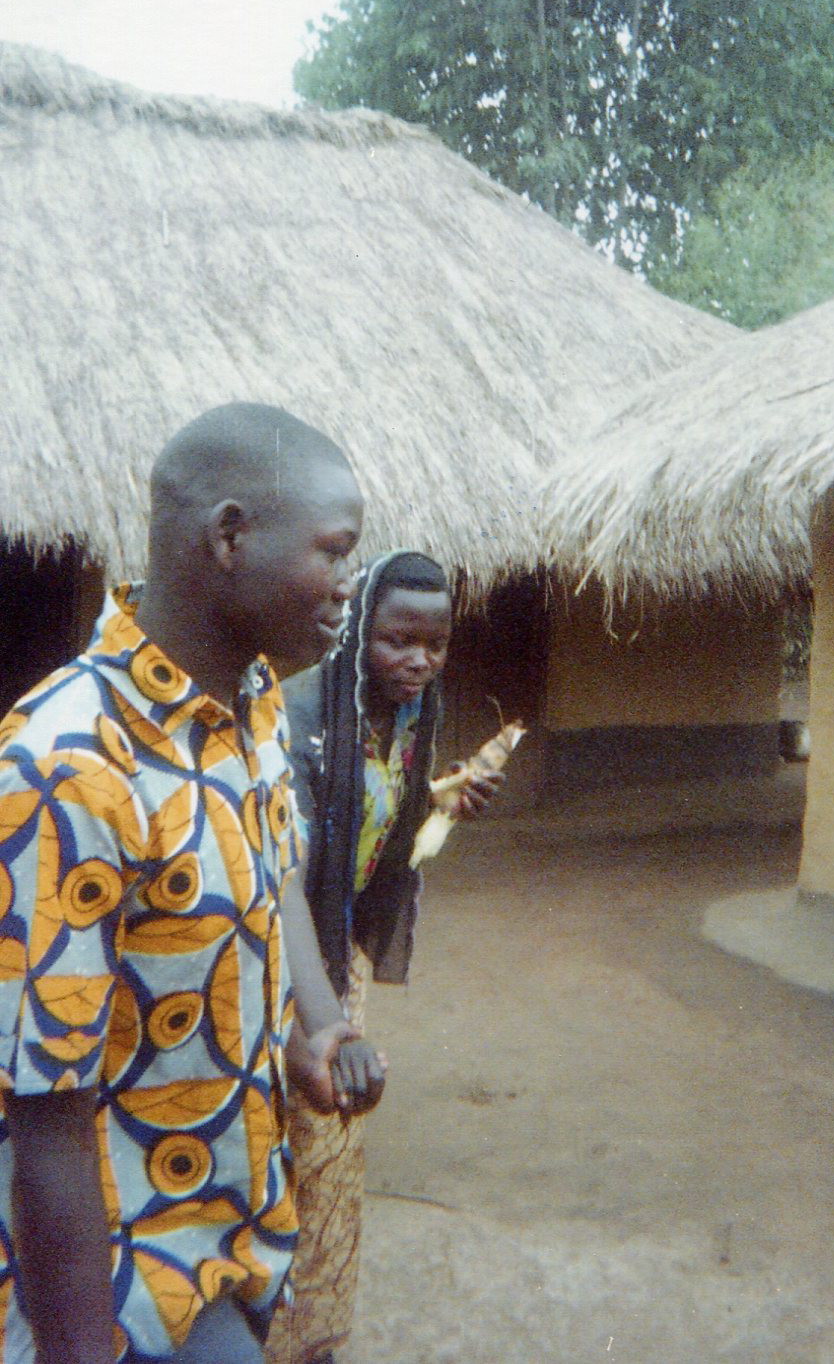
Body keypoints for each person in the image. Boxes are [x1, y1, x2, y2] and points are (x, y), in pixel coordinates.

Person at [0, 402, 386, 1364]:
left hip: (236, 1232)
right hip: (122, 1276)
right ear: (229, 536)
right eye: (334, 553)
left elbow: (274, 876)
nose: (349, 587)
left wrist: (314, 1022)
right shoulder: (67, 767)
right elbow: (44, 1111)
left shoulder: (248, 705)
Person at [265, 552, 499, 1364]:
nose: (420, 661)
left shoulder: (407, 723)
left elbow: (371, 821)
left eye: (435, 644)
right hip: (272, 971)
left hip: (339, 967)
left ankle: (310, 1336)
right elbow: (282, 864)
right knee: (274, 1158)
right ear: (362, 633)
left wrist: (440, 799)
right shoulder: (297, 718)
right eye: (399, 640)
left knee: (330, 1160)